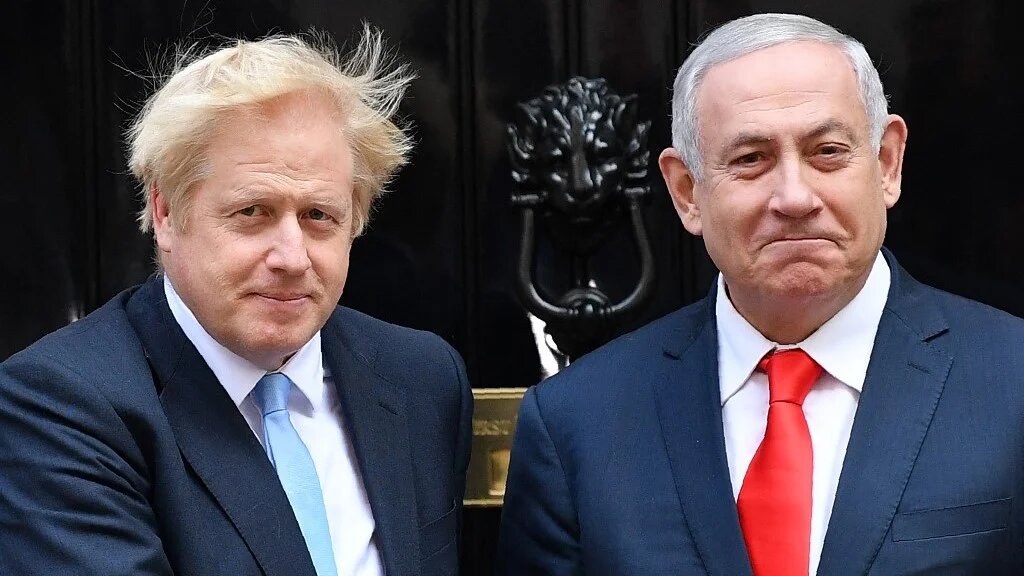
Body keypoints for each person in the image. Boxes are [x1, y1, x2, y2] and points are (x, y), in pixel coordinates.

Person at [497, 12, 1024, 576]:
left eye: (827, 152)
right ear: (686, 192)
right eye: (751, 160)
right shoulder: (578, 422)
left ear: (887, 164)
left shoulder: (1011, 381)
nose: (795, 198)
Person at [0, 27, 471, 576]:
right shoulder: (58, 408)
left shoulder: (422, 378)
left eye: (319, 216)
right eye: (253, 212)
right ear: (166, 213)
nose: (292, 257)